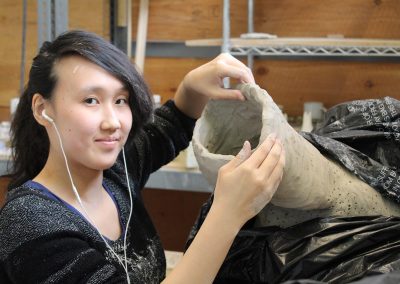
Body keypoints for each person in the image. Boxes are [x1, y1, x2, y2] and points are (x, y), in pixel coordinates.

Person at [0, 30, 285, 283]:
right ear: (42, 109)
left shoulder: (115, 173)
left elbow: (169, 127)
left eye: (121, 100)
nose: (113, 122)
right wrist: (228, 213)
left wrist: (190, 87)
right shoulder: (31, 225)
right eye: (91, 100)